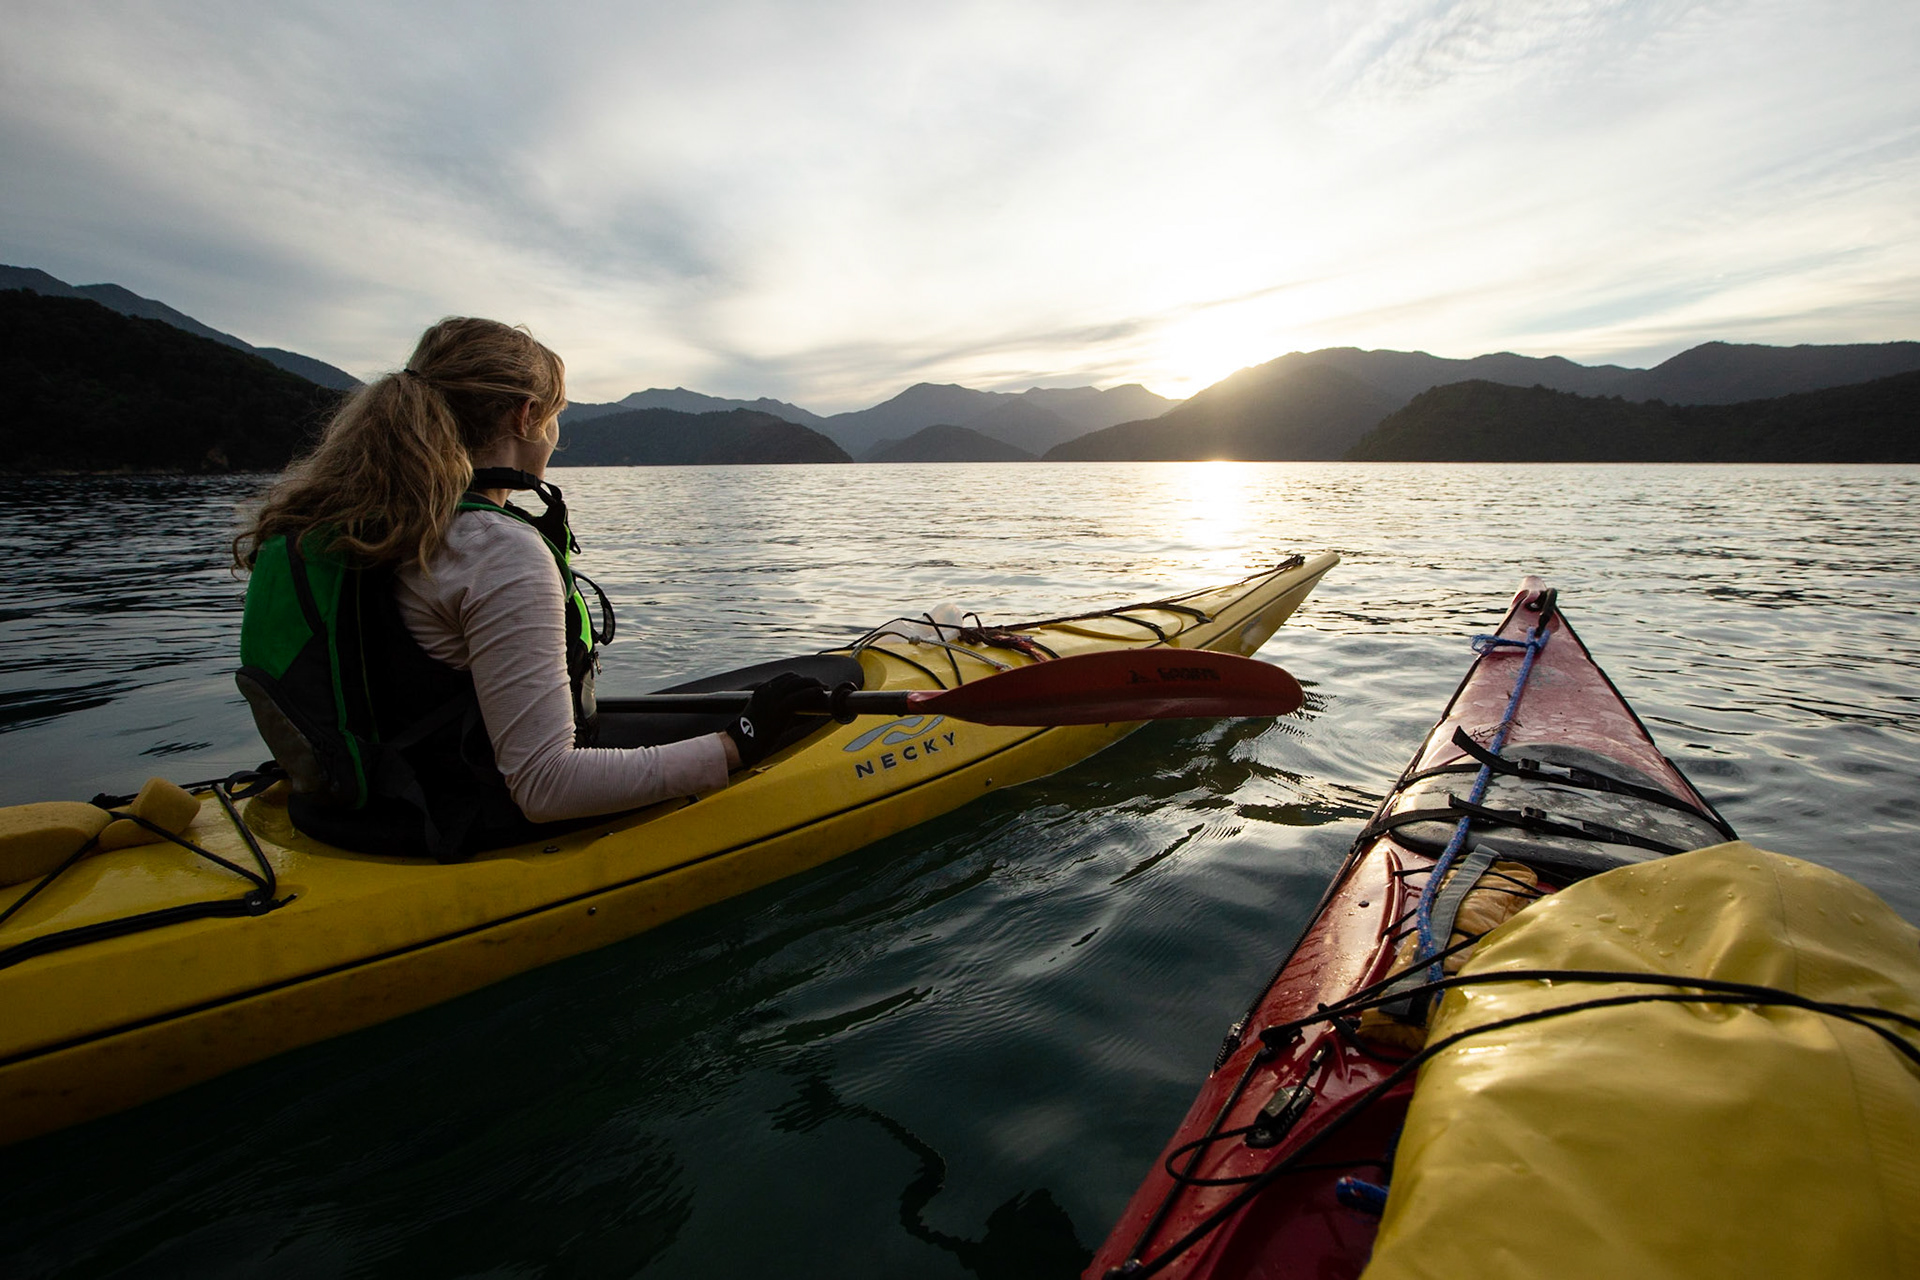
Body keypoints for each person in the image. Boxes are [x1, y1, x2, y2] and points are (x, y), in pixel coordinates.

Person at [232, 316, 825, 860]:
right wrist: (739, 744)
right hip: (456, 819)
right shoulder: (495, 550)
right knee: (818, 704)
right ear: (526, 416)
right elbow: (545, 785)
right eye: (556, 413)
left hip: (365, 804)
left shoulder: (365, 524)